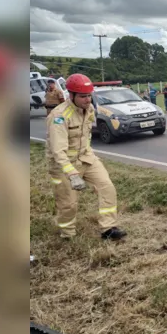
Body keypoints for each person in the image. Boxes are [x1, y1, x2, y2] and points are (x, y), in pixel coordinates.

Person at [46, 73, 126, 240]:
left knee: (107, 187)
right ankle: (67, 234)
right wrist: (73, 174)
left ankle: (108, 228)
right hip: (64, 165)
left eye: (89, 95)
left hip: (86, 158)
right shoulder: (59, 116)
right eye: (83, 96)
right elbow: (58, 151)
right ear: (71, 95)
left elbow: (86, 137)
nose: (88, 100)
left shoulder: (88, 109)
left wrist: (90, 156)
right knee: (69, 204)